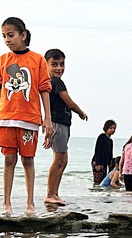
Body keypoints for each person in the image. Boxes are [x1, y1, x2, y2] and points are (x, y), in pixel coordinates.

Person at [0, 17, 53, 216]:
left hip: (30, 118)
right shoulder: (2, 60)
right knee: (8, 160)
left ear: (23, 35)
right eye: (4, 36)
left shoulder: (37, 59)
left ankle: (30, 203)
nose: (7, 39)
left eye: (11, 35)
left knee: (28, 160)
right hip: (5, 117)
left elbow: (44, 90)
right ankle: (6, 203)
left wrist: (47, 119)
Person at [44, 48, 88, 206]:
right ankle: (50, 193)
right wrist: (80, 112)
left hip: (60, 124)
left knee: (63, 159)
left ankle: (54, 192)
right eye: (54, 64)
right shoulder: (56, 82)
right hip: (59, 124)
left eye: (62, 64)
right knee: (59, 159)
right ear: (46, 65)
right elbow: (69, 102)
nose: (59, 68)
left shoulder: (49, 83)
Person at [92, 119, 116, 185]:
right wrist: (97, 163)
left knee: (103, 180)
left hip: (105, 162)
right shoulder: (102, 137)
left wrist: (111, 164)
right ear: (106, 128)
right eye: (111, 128)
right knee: (98, 180)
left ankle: (102, 194)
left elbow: (110, 153)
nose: (113, 130)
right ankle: (96, 193)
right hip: (98, 161)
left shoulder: (110, 141)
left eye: (114, 128)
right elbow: (97, 150)